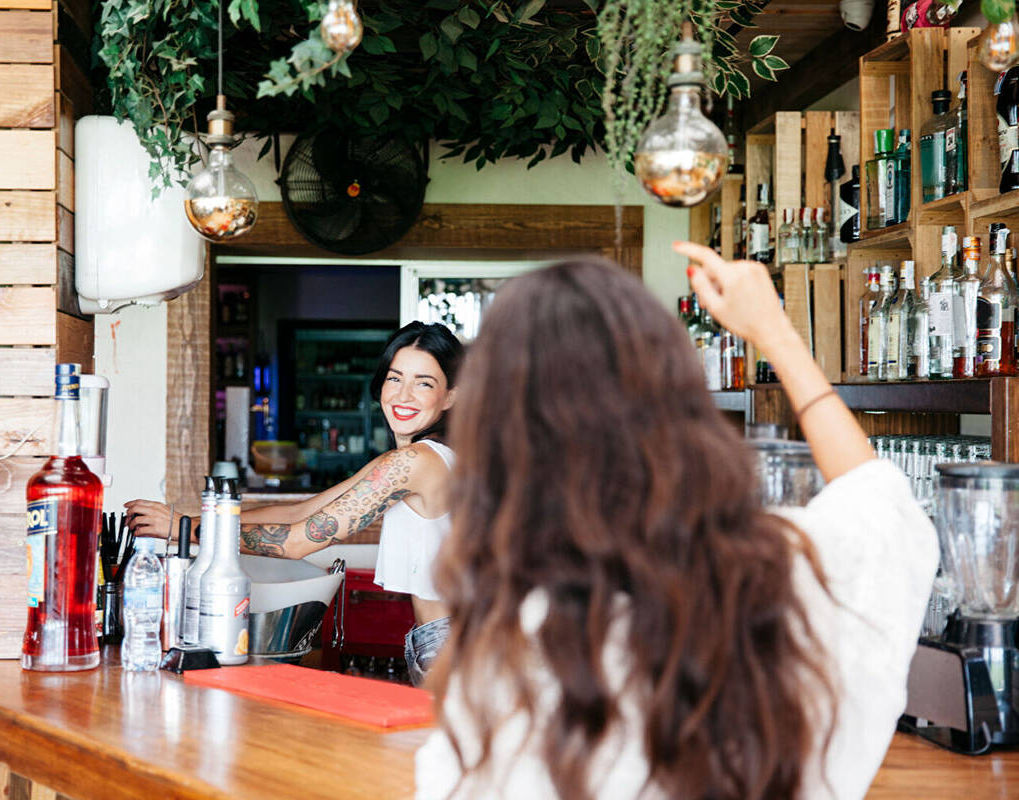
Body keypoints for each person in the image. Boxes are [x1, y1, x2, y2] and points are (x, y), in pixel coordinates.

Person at [414, 245, 938, 800]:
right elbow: (881, 499)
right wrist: (775, 334)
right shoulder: (796, 582)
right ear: (684, 405)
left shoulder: (509, 676)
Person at [125, 321, 464, 685]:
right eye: (395, 378)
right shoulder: (422, 459)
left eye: (424, 383)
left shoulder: (414, 463)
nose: (403, 395)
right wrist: (185, 518)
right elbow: (303, 511)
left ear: (450, 397)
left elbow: (297, 540)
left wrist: (187, 531)